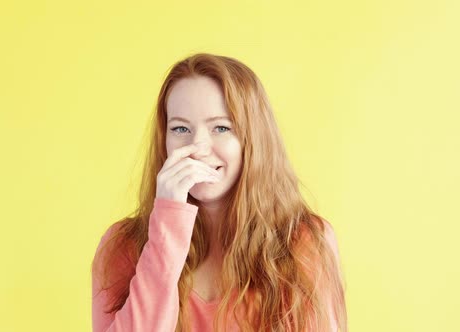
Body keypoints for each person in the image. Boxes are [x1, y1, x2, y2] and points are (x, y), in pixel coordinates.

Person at [91, 53, 348, 331]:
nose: (199, 147)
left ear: (253, 139)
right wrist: (167, 226)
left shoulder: (305, 241)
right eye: (180, 128)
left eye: (221, 128)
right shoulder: (122, 246)